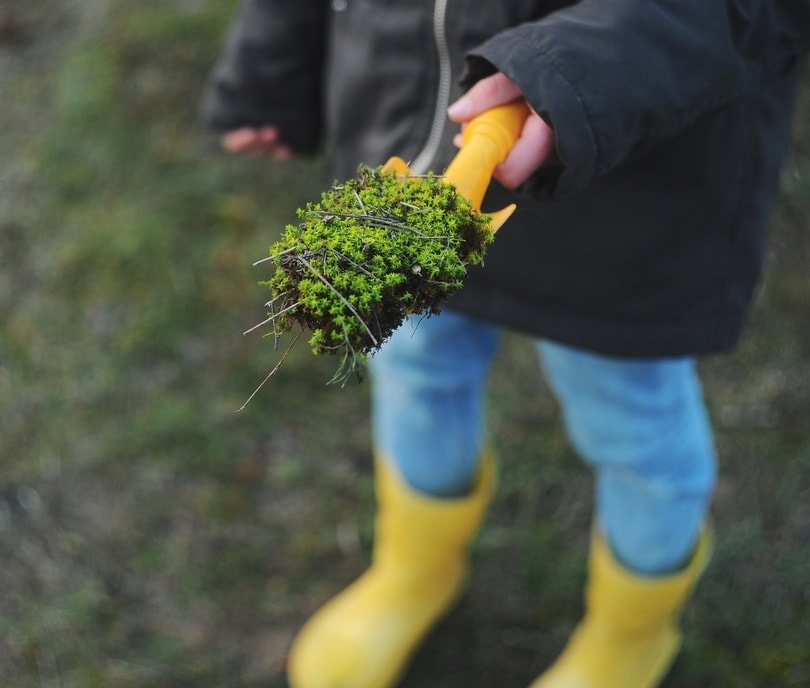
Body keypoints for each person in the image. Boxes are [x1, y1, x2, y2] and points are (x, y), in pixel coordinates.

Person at [202, 2, 810, 687]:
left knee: (629, 420)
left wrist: (577, 73)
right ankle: (414, 569)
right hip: (408, 131)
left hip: (627, 183)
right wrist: (276, 56)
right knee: (413, 367)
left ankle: (631, 633)